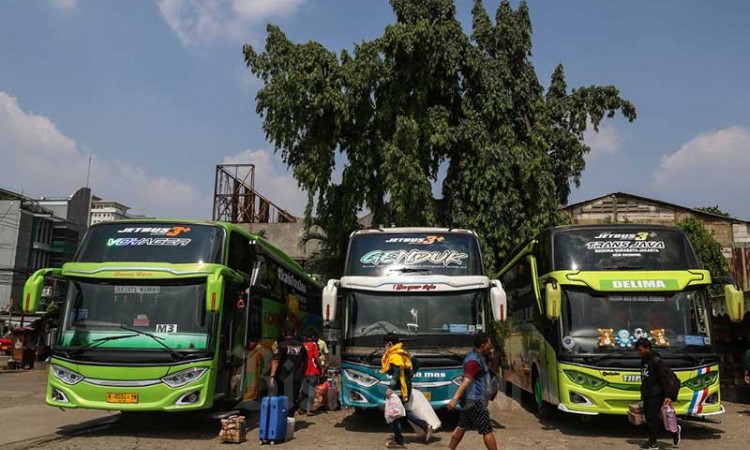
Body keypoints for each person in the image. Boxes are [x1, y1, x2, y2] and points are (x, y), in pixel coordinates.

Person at [446, 333, 497, 450]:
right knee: (487, 429)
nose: (491, 346)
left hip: (471, 399)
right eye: (489, 344)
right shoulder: (473, 361)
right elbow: (466, 382)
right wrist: (454, 399)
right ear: (483, 345)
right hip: (475, 400)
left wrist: (491, 356)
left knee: (461, 426)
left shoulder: (480, 356)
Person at [381, 333, 432, 448]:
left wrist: (390, 387)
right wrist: (410, 375)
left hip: (398, 388)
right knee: (403, 411)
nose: (384, 347)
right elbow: (417, 363)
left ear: (389, 344)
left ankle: (399, 441)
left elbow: (397, 372)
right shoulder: (403, 352)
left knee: (394, 414)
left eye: (385, 345)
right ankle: (425, 426)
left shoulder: (395, 355)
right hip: (405, 386)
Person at [635, 337, 680, 449]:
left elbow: (666, 379)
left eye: (640, 350)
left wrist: (668, 396)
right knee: (656, 418)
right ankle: (674, 432)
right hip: (648, 393)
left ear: (648, 348)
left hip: (656, 394)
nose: (638, 352)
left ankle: (653, 442)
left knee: (651, 419)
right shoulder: (644, 360)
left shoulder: (656, 361)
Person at [269, 326, 307, 417]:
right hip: (296, 377)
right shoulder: (301, 346)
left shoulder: (282, 345)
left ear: (283, 334)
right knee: (292, 399)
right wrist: (301, 373)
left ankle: (280, 420)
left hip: (282, 377)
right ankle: (289, 420)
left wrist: (272, 376)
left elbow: (276, 360)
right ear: (294, 333)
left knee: (280, 398)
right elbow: (304, 361)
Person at [300, 330, 322, 416]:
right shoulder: (314, 345)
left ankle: (302, 409)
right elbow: (316, 358)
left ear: (305, 337)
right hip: (313, 370)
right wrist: (321, 368)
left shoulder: (302, 345)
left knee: (303, 390)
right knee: (311, 390)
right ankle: (309, 410)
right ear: (313, 337)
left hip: (303, 371)